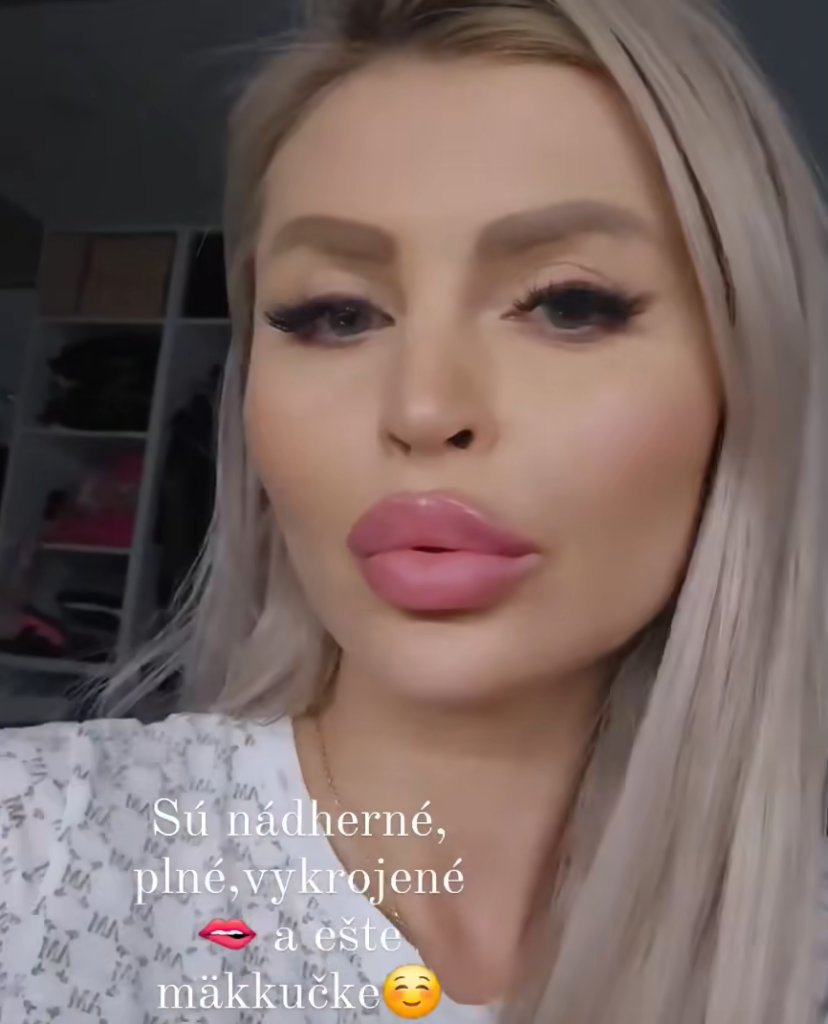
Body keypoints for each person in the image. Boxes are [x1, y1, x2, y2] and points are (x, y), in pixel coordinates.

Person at [1, 0, 827, 1021]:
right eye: (336, 314)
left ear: (749, 378)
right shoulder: (31, 860)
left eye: (567, 303)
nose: (423, 407)